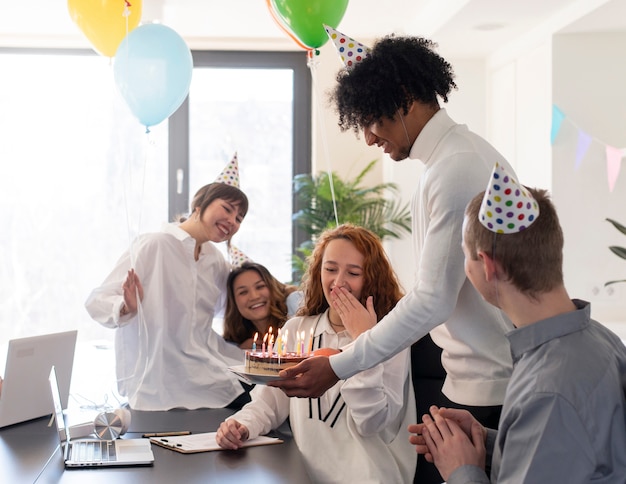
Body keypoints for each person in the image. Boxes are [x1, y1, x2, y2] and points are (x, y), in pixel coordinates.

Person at [272, 33, 515, 482]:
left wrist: (340, 364)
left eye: (370, 121)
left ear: (403, 100)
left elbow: (432, 300)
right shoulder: (451, 159)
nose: (368, 139)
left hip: (489, 381)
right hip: (470, 377)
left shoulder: (457, 166)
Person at [412, 166, 626, 482]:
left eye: (464, 256)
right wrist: (488, 439)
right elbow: (569, 451)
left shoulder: (547, 392)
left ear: (486, 265)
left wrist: (461, 470)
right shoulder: (601, 339)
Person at [216, 224, 416, 483]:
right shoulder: (297, 329)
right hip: (304, 475)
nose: (338, 282)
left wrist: (363, 340)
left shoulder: (389, 336)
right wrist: (241, 425)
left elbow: (372, 422)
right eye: (330, 269)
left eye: (353, 273)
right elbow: (269, 403)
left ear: (371, 278)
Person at [85, 155, 252, 411]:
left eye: (240, 218)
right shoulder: (154, 245)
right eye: (228, 209)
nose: (233, 221)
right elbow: (97, 301)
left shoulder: (215, 260)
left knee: (271, 393)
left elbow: (228, 307)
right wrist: (125, 307)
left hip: (208, 365)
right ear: (199, 205)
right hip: (160, 379)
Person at [222, 257, 302, 348]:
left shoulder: (295, 304)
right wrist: (240, 352)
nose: (254, 296)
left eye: (260, 287)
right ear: (233, 302)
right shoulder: (235, 343)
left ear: (272, 287)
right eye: (243, 292)